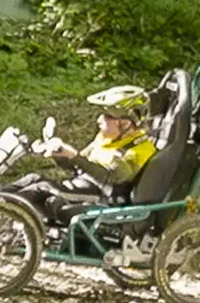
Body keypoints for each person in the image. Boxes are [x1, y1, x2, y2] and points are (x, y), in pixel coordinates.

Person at [11, 87, 156, 220]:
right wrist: (59, 155)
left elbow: (111, 176)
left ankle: (5, 214)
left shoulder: (140, 148)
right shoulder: (106, 137)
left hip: (103, 195)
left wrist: (74, 156)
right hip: (84, 183)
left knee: (42, 188)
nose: (99, 120)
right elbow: (80, 164)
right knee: (32, 178)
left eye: (106, 116)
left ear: (125, 123)